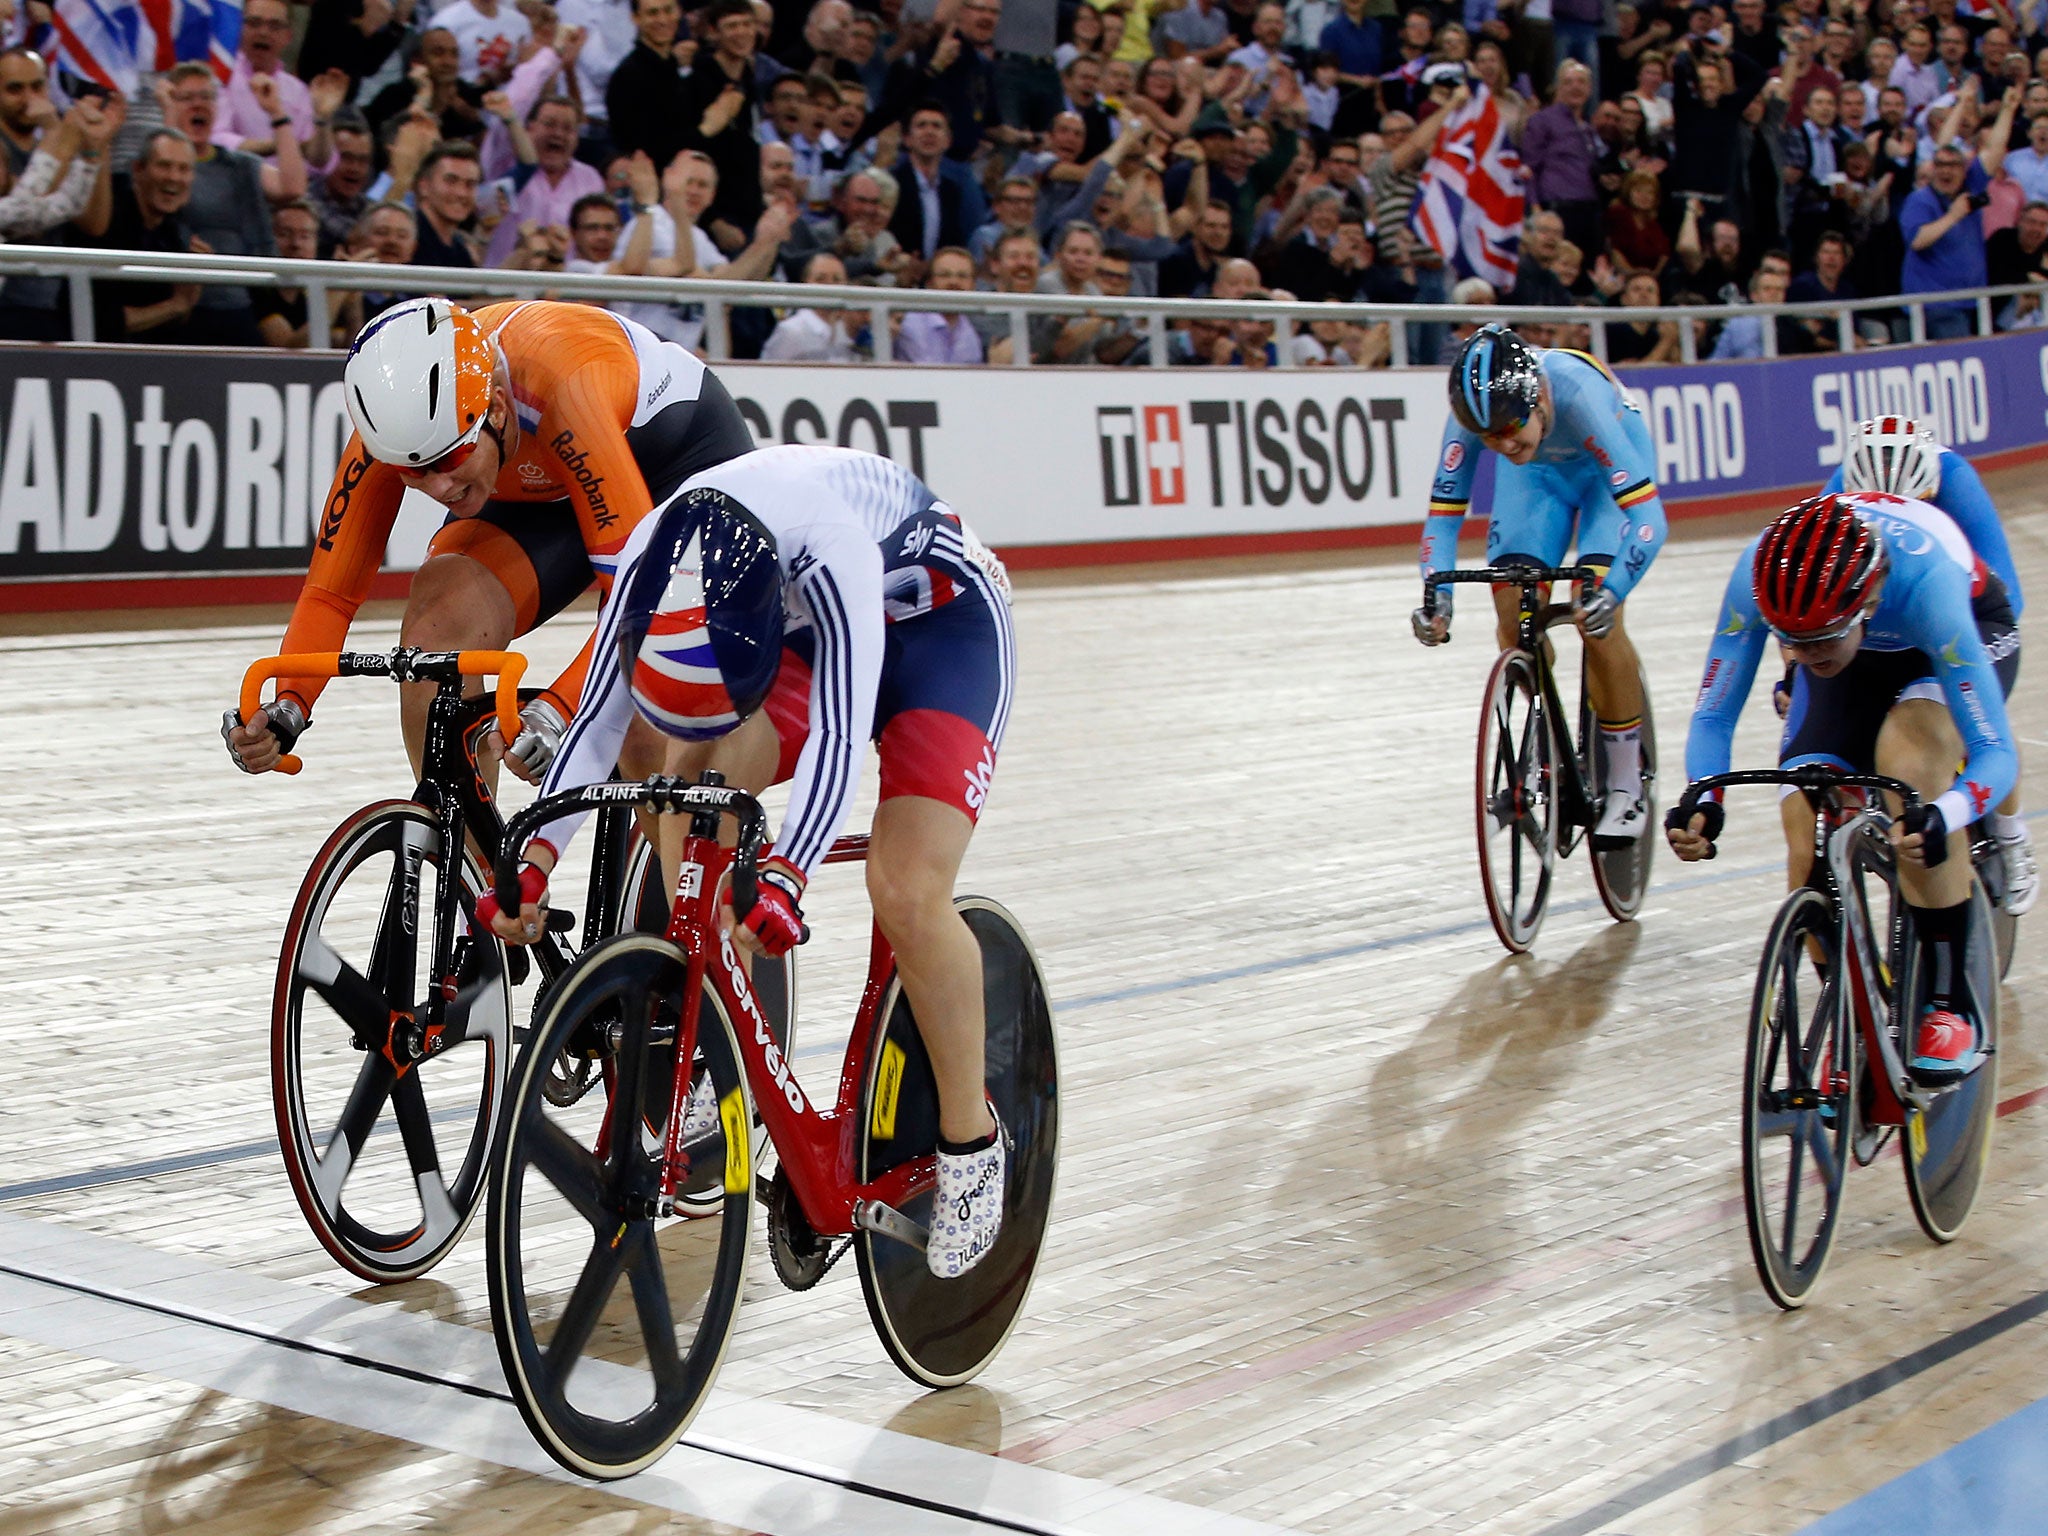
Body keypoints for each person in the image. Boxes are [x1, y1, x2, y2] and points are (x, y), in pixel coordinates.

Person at [482, 443, 1018, 1280]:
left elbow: (841, 739)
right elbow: (594, 725)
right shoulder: (652, 559)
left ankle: (971, 1144)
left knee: (906, 887)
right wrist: (533, 859)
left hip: (941, 635)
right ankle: (719, 1029)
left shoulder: (830, 545)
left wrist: (787, 875)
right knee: (676, 776)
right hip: (796, 627)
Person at [223, 297, 756, 797]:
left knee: (644, 724)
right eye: (412, 472)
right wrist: (288, 705)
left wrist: (561, 709)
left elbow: (634, 601)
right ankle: (479, 882)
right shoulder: (392, 429)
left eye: (447, 460)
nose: (437, 489)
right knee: (437, 634)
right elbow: (330, 592)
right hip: (539, 476)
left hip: (677, 468)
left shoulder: (563, 388)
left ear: (497, 410)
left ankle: (682, 888)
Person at [1669, 494, 2021, 1084]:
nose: (1803, 655)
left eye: (1817, 642)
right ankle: (1850, 1018)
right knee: (1804, 824)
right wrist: (1705, 800)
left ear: (1869, 602)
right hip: (1854, 652)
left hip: (1958, 635)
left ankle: (1947, 1001)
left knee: (1908, 763)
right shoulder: (1760, 577)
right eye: (1791, 642)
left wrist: (1944, 813)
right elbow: (1712, 718)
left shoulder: (1928, 587)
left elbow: (1997, 755)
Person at [1413, 325, 1669, 843]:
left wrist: (1612, 591)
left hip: (1605, 479)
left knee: (1594, 617)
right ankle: (1539, 741)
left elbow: (1650, 521)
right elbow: (1442, 521)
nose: (1504, 443)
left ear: (1537, 397)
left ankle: (1625, 782)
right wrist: (1437, 598)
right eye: (1491, 438)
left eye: (1512, 428)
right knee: (1515, 618)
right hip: (1536, 483)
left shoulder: (1576, 393)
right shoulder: (1474, 415)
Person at [1815, 416, 2035, 909]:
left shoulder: (1956, 481)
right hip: (1881, 610)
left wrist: (1956, 655)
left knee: (1975, 705)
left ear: (1931, 491)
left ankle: (2008, 831)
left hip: (1956, 611)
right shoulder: (1840, 489)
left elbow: (2007, 595)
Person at [897, 244, 984, 361]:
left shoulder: (971, 333)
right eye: (944, 275)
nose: (954, 282)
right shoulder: (910, 323)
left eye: (962, 276)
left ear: (973, 285)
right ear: (929, 283)